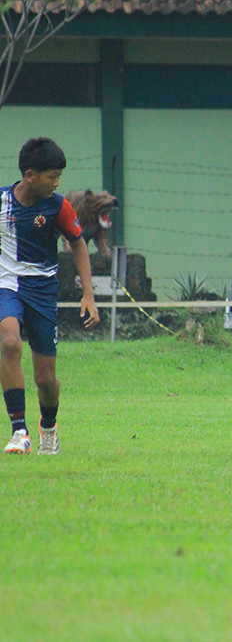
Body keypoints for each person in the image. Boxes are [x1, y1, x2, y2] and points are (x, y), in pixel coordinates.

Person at [3, 137, 100, 456]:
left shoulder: (58, 205)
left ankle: (48, 427)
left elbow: (78, 243)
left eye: (59, 175)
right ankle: (19, 430)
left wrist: (88, 294)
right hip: (8, 284)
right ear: (30, 175)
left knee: (46, 378)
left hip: (43, 289)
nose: (57, 182)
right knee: (9, 342)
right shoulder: (3, 202)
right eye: (52, 176)